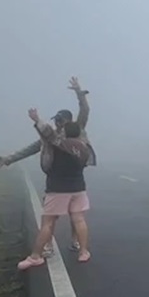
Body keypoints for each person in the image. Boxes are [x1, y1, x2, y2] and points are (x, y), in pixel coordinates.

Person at [0, 77, 91, 257]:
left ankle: (76, 242)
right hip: (55, 177)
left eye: (61, 120)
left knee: (75, 214)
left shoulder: (77, 130)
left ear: (69, 121)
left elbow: (85, 110)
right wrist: (8, 159)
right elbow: (31, 148)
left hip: (73, 177)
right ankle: (48, 245)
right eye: (57, 120)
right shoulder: (50, 137)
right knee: (52, 216)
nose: (58, 123)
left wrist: (79, 92)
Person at [18, 107, 93, 270]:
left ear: (65, 131)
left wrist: (37, 119)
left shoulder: (61, 144)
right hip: (78, 188)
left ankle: (35, 256)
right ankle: (84, 251)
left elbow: (47, 133)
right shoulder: (85, 148)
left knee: (48, 223)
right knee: (79, 219)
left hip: (58, 188)